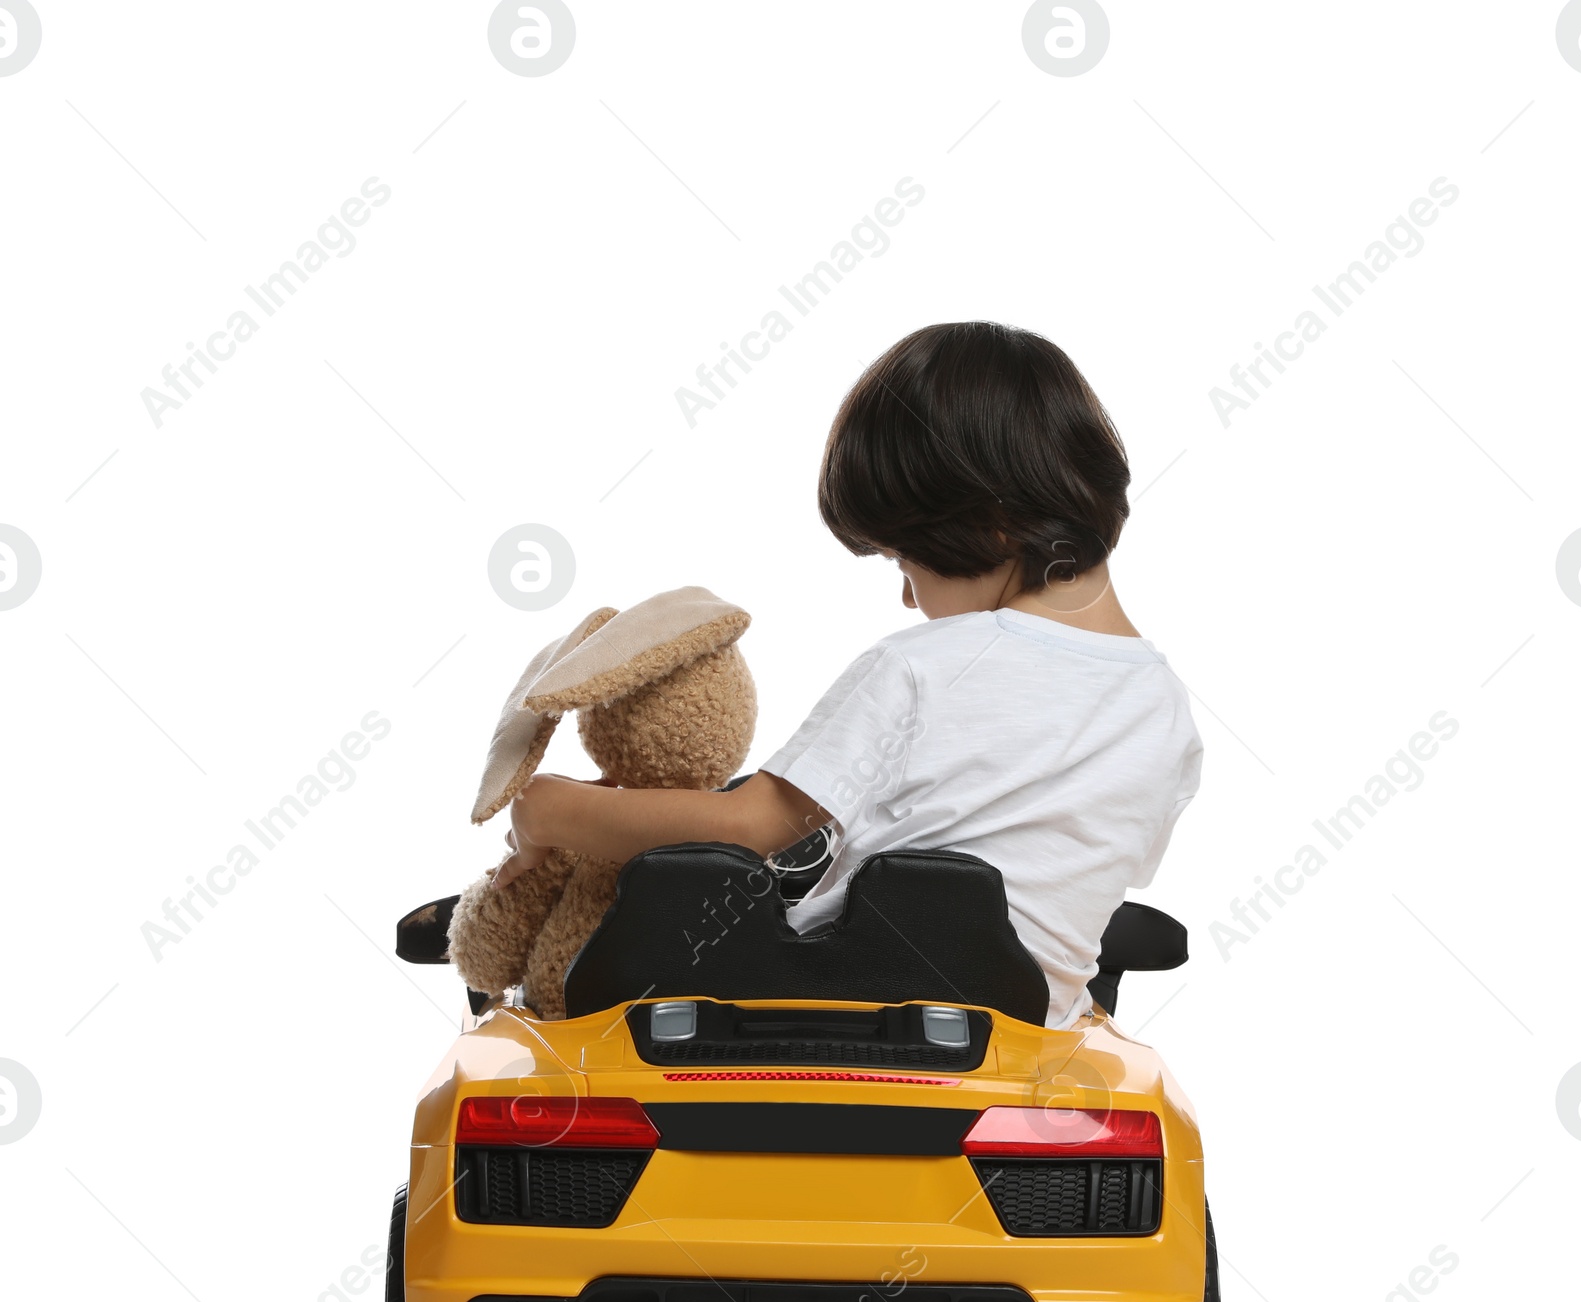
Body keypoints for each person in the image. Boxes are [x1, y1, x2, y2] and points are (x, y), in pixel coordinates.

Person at [493, 321, 1201, 1026]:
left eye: (904, 562)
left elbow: (748, 828)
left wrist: (550, 809)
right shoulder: (1168, 715)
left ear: (991, 524)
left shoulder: (920, 666)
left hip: (824, 1029)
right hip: (1022, 1052)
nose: (906, 597)